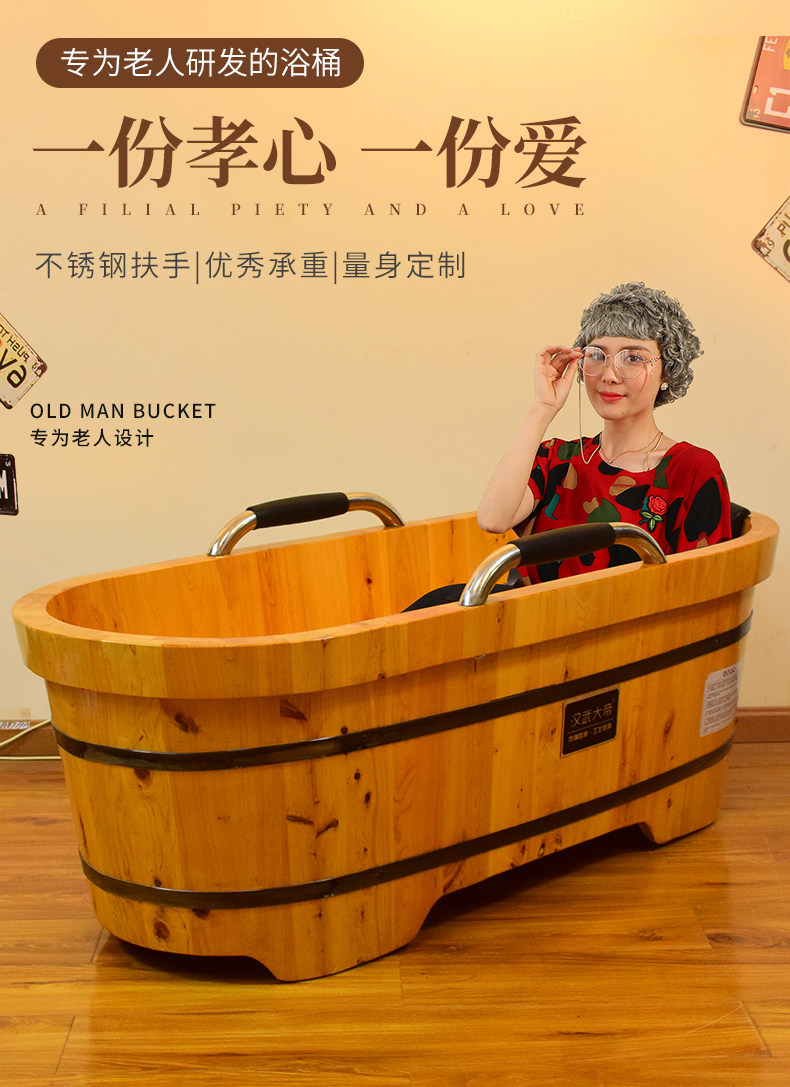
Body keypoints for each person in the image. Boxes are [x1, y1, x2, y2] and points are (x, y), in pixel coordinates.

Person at [477, 282, 732, 582]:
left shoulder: (691, 470)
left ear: (668, 370)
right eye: (597, 355)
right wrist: (542, 408)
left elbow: (703, 586)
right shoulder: (556, 458)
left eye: (633, 358)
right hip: (534, 612)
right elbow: (493, 520)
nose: (609, 375)